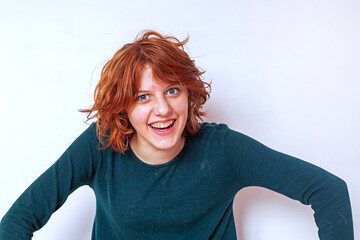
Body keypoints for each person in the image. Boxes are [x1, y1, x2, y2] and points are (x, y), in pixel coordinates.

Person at [0, 30, 354, 240]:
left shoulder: (223, 150)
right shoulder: (101, 144)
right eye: (143, 97)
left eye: (172, 91)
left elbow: (328, 190)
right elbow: (18, 220)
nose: (163, 110)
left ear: (188, 93)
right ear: (123, 107)